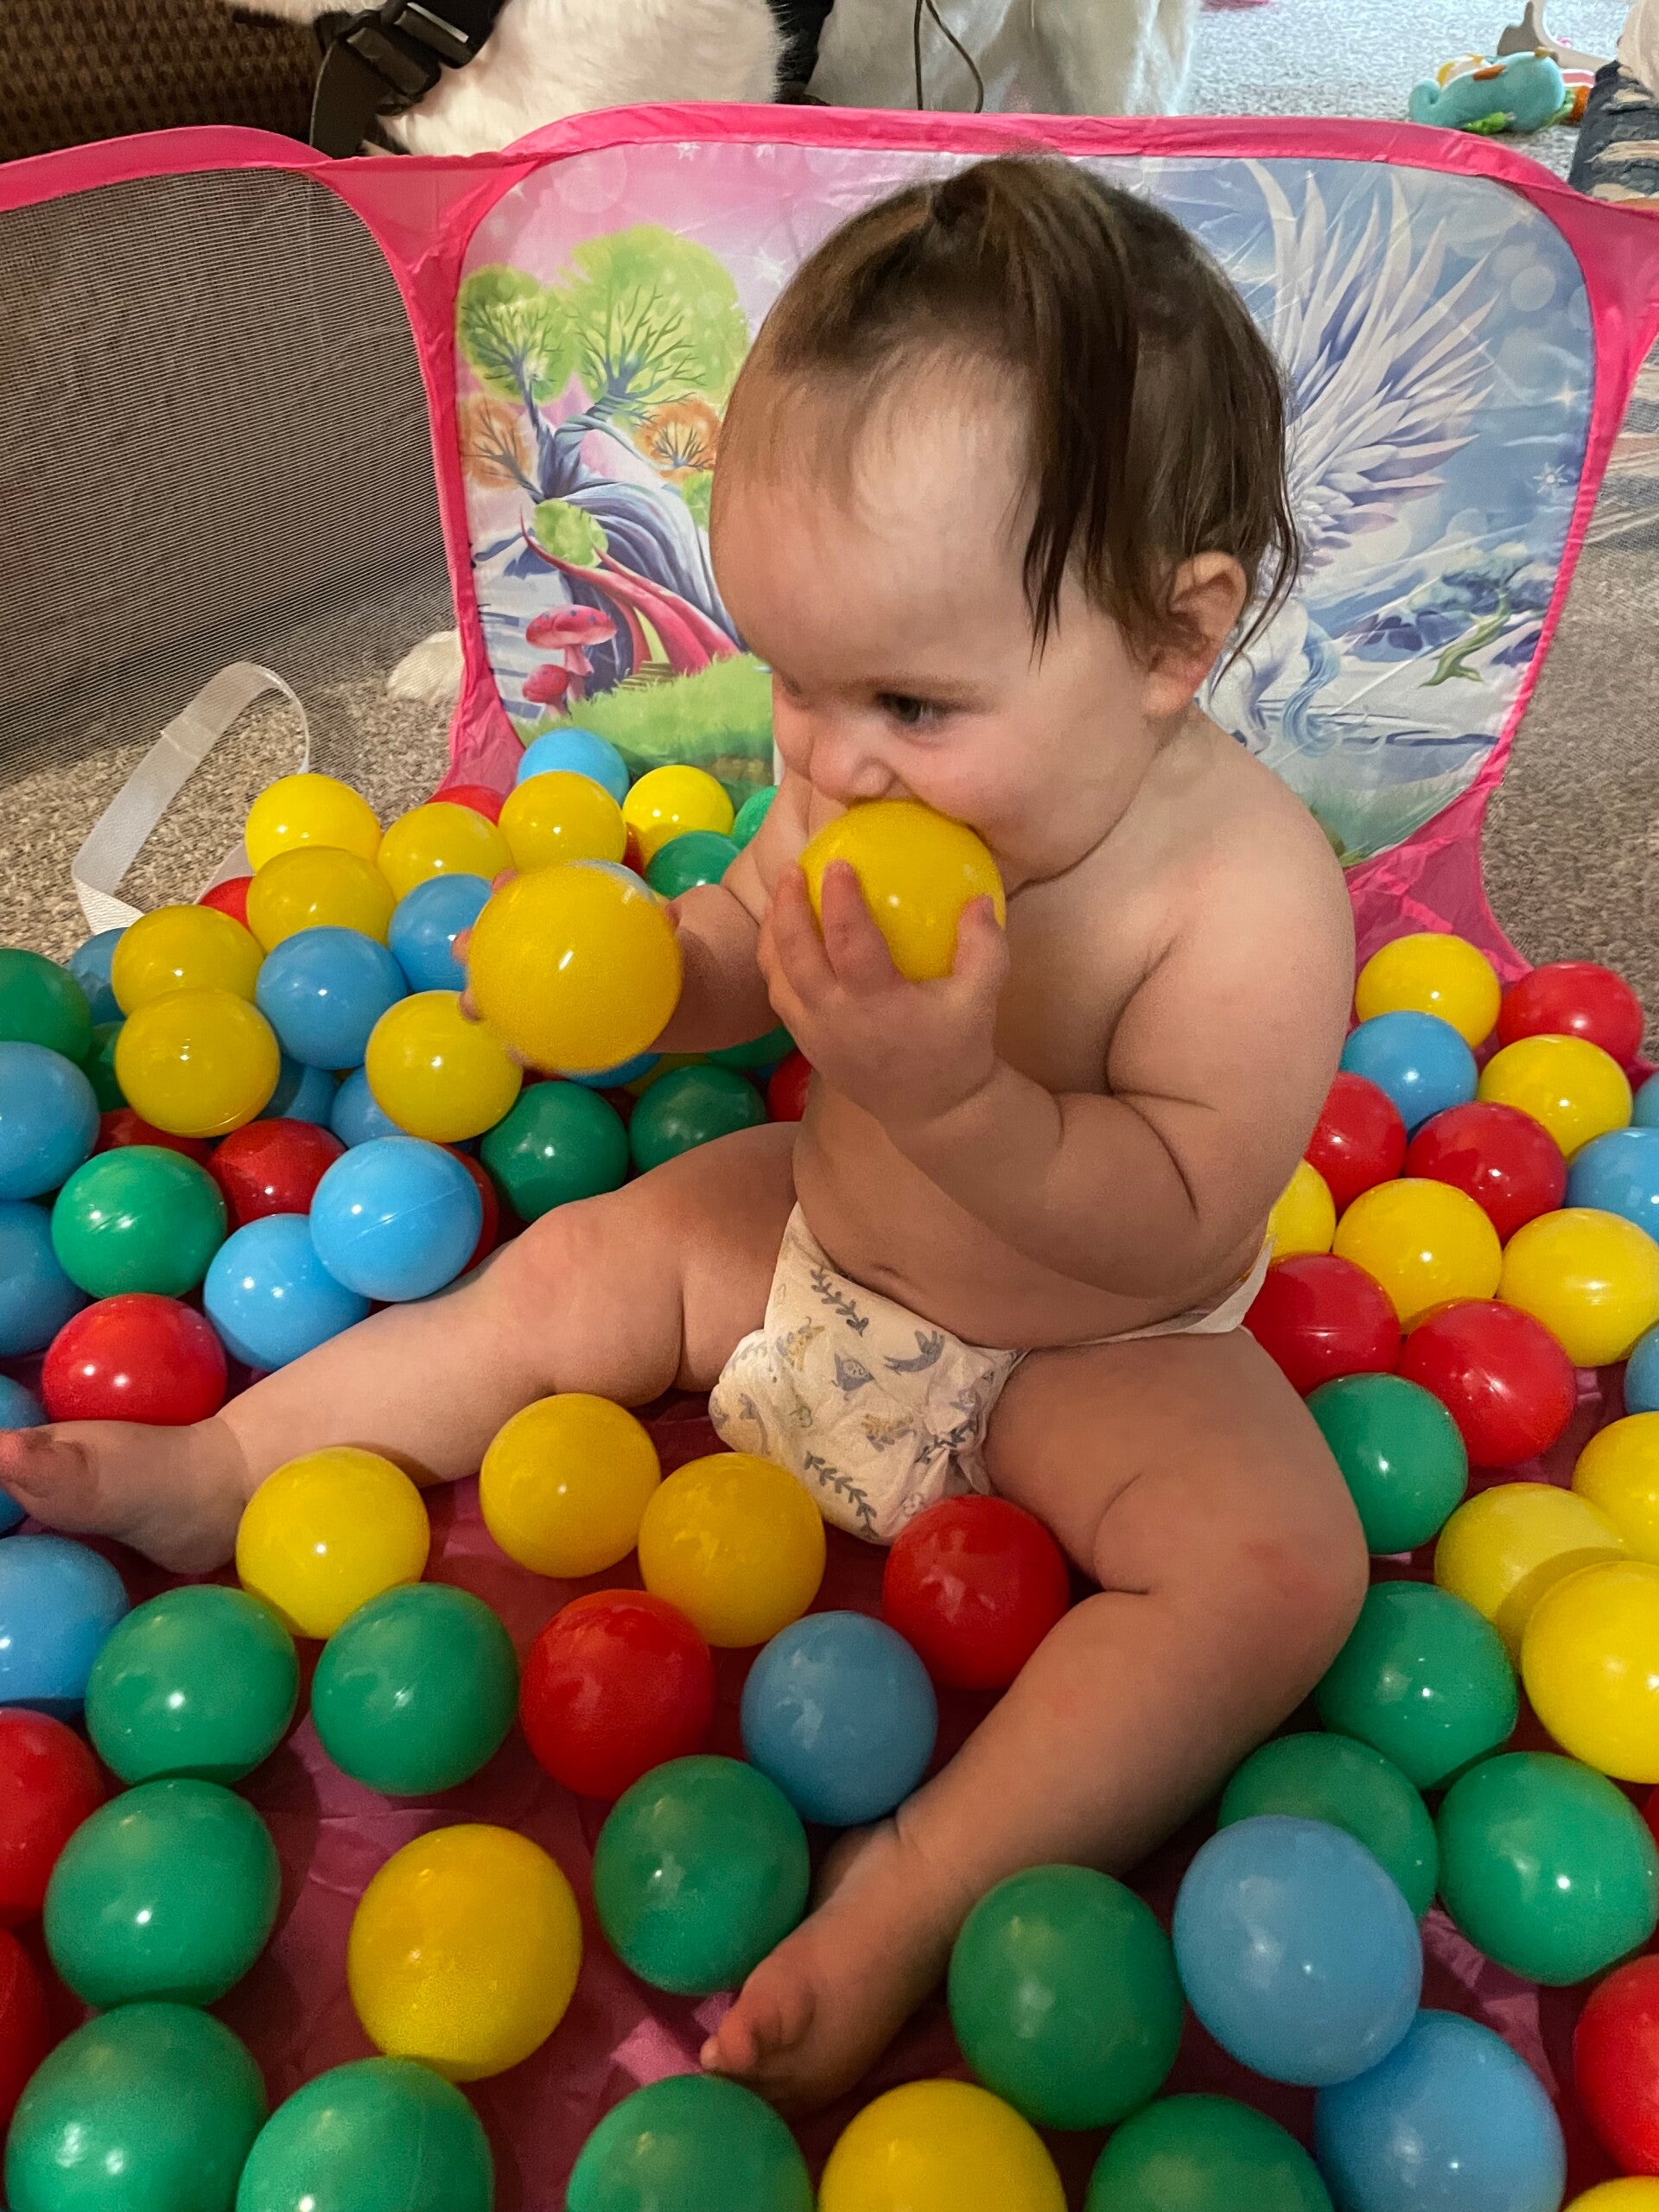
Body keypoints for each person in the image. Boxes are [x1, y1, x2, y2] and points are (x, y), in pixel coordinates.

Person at [0, 157, 1367, 2112]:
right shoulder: (856, 779)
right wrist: (649, 978)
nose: (828, 754)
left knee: (1279, 1570)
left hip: (1096, 1347)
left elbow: (1171, 1213)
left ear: (1173, 635)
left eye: (910, 698)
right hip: (815, 1242)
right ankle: (235, 1461)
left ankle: (919, 1886)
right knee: (567, 1267)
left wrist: (956, 1097)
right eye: (795, 679)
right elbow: (741, 936)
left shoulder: (1247, 896)